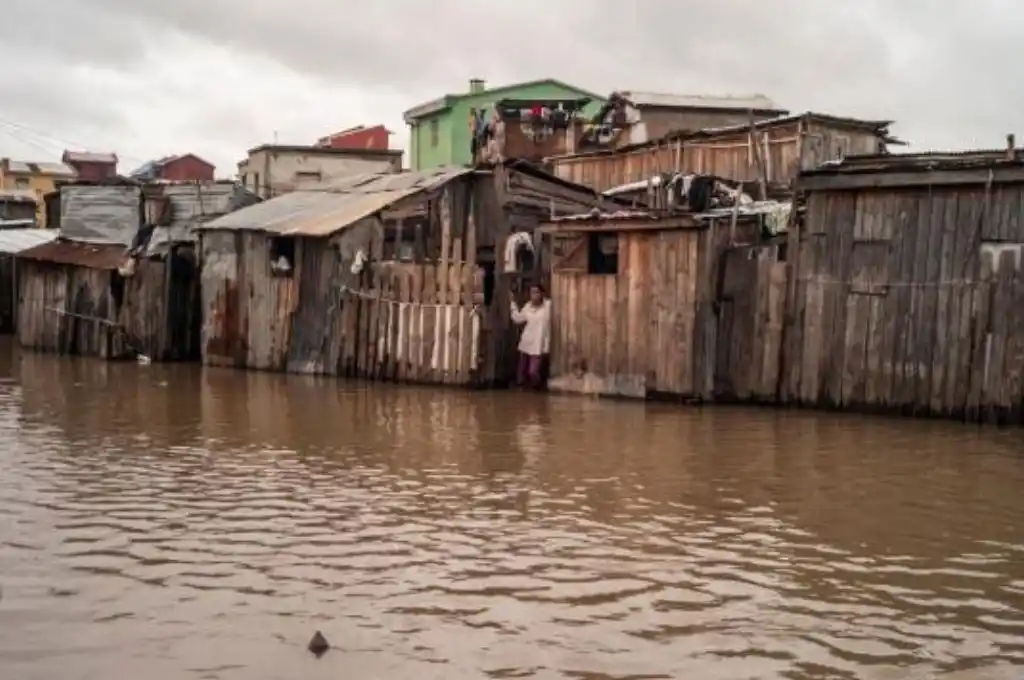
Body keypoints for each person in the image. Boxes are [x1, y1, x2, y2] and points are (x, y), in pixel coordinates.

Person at [510, 284, 551, 389]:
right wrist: (512, 305)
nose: (534, 295)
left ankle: (535, 391)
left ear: (542, 294)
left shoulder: (548, 306)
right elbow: (518, 319)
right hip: (527, 341)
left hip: (539, 342)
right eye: (532, 292)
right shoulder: (528, 306)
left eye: (537, 292)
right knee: (521, 372)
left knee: (533, 371)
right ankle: (525, 396)